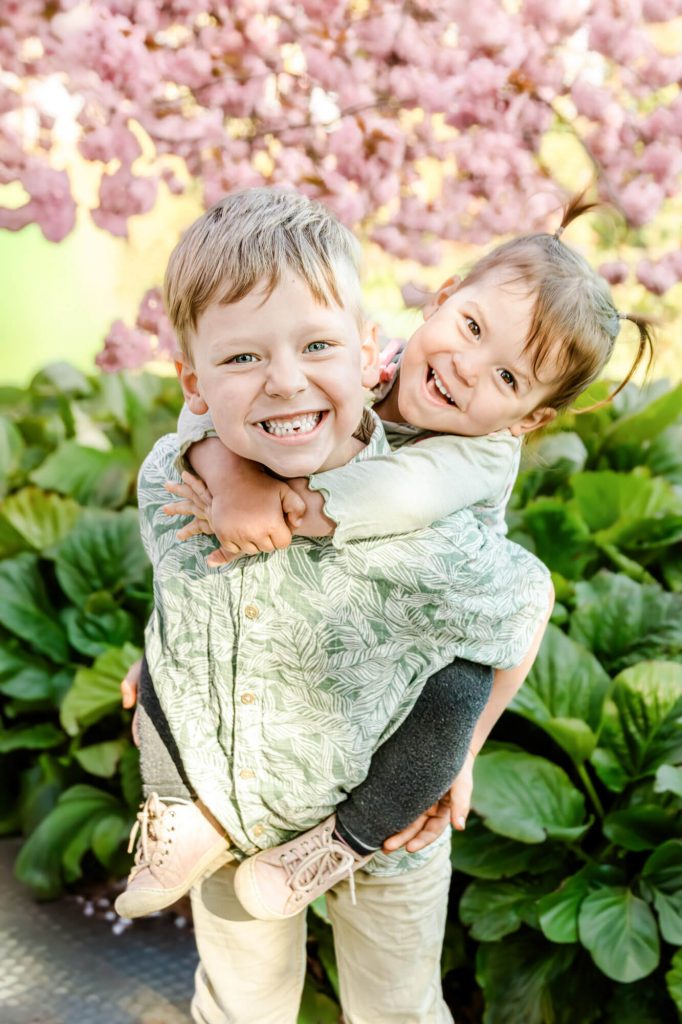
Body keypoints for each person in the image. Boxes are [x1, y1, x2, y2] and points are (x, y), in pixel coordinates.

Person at [115, 188, 644, 1023]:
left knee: (395, 1001)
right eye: (470, 329)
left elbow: (408, 505)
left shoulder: (465, 470)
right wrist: (226, 467)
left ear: (530, 417)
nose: (470, 368)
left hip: (411, 712)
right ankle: (184, 807)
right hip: (249, 766)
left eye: (506, 374)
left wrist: (464, 752)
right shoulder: (357, 372)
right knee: (236, 987)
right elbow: (214, 414)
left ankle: (347, 840)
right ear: (437, 301)